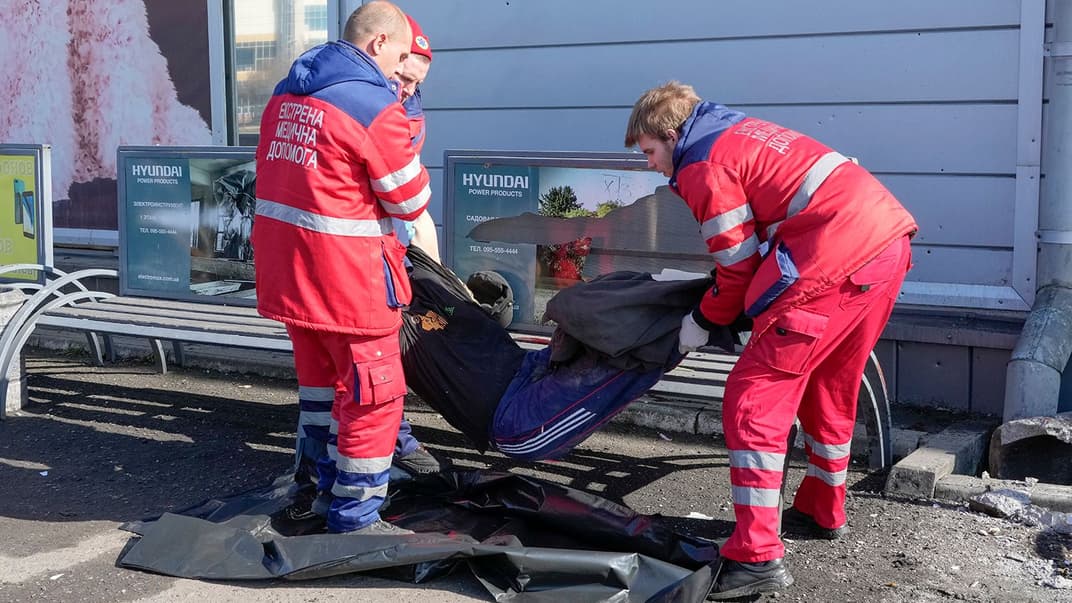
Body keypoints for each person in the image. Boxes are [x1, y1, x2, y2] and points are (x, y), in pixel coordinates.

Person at [624, 81, 917, 599]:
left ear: (671, 135)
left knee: (753, 399)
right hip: (885, 244)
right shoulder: (738, 132)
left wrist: (703, 319)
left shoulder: (702, 165)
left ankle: (756, 556)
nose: (649, 164)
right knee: (830, 382)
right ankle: (822, 507)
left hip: (831, 256)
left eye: (649, 151)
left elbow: (735, 269)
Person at [252, 1, 429, 535]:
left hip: (291, 280)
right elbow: (408, 199)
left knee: (320, 391)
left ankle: (318, 486)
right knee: (374, 397)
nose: (399, 71)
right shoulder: (372, 105)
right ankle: (355, 518)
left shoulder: (286, 93)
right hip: (349, 285)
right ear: (378, 43)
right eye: (399, 57)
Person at [389, 13, 446, 476]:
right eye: (403, 77)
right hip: (364, 247)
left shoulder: (408, 105)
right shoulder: (366, 104)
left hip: (395, 235)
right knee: (375, 357)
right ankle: (395, 442)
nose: (407, 88)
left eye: (416, 82)